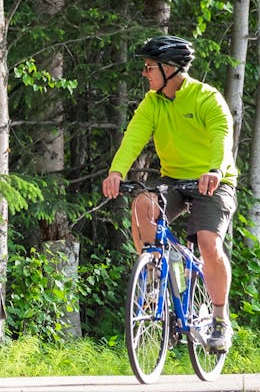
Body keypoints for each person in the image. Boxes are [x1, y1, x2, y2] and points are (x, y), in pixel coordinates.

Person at [101, 35, 238, 352]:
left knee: (208, 242)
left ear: (171, 69)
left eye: (149, 67)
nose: (145, 73)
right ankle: (154, 277)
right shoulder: (152, 103)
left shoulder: (207, 99)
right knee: (142, 205)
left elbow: (222, 138)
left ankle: (219, 319)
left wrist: (215, 170)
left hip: (214, 180)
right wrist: (116, 172)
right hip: (174, 179)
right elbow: (133, 138)